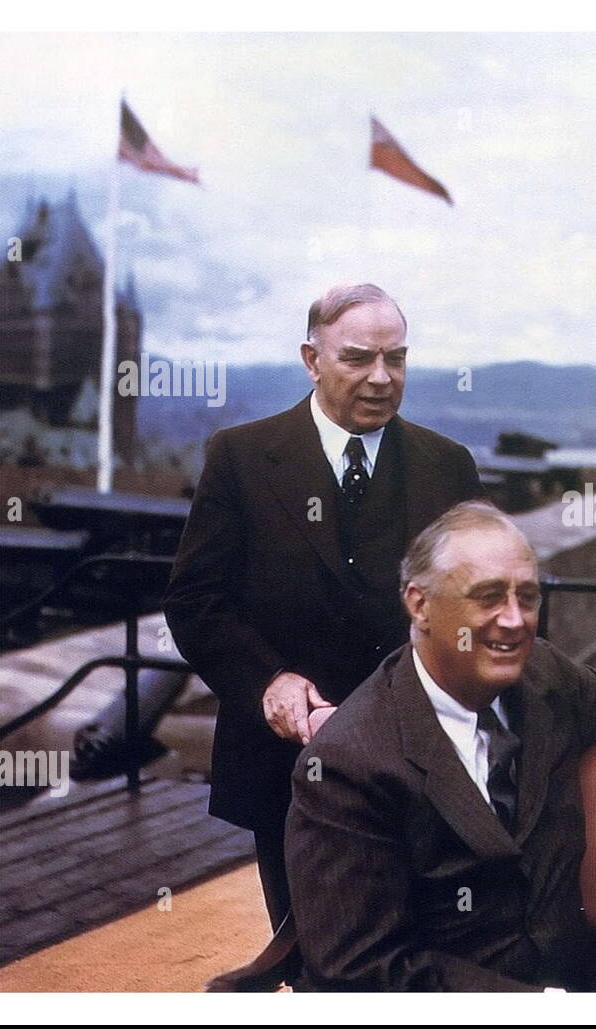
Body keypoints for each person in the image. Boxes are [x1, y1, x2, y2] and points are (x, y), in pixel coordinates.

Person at [283, 502, 596, 990]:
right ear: (419, 604)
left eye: (527, 598)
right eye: (488, 597)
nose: (514, 621)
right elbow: (357, 970)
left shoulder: (543, 675)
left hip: (581, 978)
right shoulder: (348, 765)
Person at [164, 283, 484, 928]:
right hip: (282, 766)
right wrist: (268, 682)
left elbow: (477, 609)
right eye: (358, 359)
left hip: (419, 768)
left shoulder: (447, 466)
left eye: (396, 359)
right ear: (311, 359)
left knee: (419, 955)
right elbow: (197, 601)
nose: (381, 378)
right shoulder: (241, 457)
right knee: (305, 955)